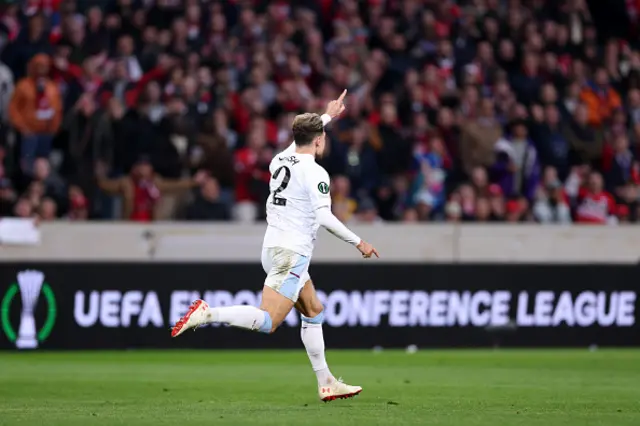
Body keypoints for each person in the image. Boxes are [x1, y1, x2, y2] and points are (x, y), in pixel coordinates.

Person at [171, 90, 379, 401]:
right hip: (291, 254)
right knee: (268, 321)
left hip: (273, 249)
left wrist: (327, 115)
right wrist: (358, 241)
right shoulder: (316, 172)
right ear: (320, 140)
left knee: (313, 310)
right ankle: (208, 313)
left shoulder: (279, 159)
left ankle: (326, 382)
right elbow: (324, 216)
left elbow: (304, 137)